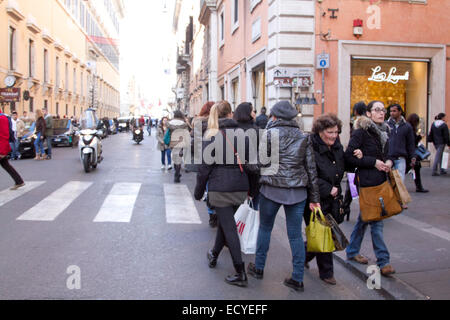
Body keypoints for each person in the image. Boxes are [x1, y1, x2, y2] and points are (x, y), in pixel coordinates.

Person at [246, 101, 321, 292]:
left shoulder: (268, 135)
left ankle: (259, 268)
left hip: (271, 189)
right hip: (297, 192)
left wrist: (246, 162)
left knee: (265, 228)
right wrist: (315, 199)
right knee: (295, 235)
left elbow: (257, 166)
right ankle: (297, 278)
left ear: (275, 117)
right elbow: (311, 170)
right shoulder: (304, 137)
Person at [194, 101, 251, 287]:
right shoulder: (243, 135)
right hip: (240, 187)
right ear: (230, 114)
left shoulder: (212, 136)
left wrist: (199, 191)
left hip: (221, 188)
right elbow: (252, 165)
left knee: (229, 228)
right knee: (225, 224)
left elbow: (204, 169)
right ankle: (213, 254)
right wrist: (253, 190)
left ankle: (240, 272)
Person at [344, 100, 396, 277]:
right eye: (377, 110)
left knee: (364, 219)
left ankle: (351, 250)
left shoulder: (384, 132)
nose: (381, 113)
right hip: (367, 183)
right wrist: (373, 162)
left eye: (383, 110)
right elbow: (348, 156)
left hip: (381, 182)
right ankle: (384, 261)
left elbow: (388, 154)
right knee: (377, 223)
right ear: (368, 113)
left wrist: (388, 162)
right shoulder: (361, 132)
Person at [191, 102, 217, 227]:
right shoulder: (216, 123)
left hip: (202, 158)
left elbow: (193, 142)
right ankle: (215, 212)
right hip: (217, 157)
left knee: (207, 185)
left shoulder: (198, 123)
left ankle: (211, 213)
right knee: (213, 185)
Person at [233, 102, 261, 210]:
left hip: (234, 178)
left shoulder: (231, 130)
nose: (254, 113)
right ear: (248, 113)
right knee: (251, 211)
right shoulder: (257, 131)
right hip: (253, 177)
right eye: (252, 110)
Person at [343, 101, 368, 221]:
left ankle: (345, 207)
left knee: (351, 184)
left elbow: (353, 142)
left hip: (356, 157)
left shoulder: (356, 124)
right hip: (365, 159)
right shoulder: (370, 123)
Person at [0, 108, 25, 190]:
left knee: (6, 165)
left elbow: (4, 136)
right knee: (6, 165)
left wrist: (2, 151)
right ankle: (19, 181)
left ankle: (19, 181)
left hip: (1, 148)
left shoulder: (2, 118)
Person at [406, 114, 428, 193]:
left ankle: (419, 187)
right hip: (411, 153)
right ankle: (419, 187)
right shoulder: (410, 129)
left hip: (409, 153)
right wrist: (419, 137)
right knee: (413, 169)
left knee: (415, 169)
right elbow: (412, 141)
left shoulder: (407, 127)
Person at [167, 111, 189, 183]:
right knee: (179, 159)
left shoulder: (169, 123)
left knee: (174, 158)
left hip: (172, 143)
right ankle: (177, 175)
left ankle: (177, 173)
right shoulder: (183, 124)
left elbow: (166, 133)